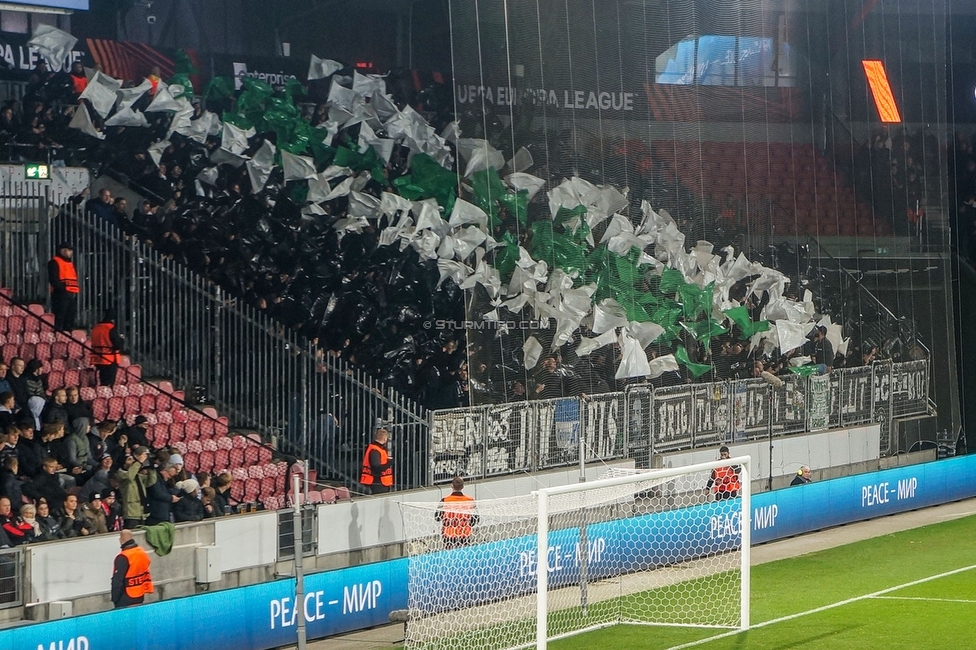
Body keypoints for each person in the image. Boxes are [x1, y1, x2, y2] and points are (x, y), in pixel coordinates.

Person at [111, 530, 154, 608]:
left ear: (121, 539)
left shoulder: (123, 557)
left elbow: (117, 581)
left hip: (126, 595)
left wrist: (115, 599)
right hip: (140, 594)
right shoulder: (142, 552)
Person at [115, 446, 156, 528]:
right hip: (131, 512)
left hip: (141, 511)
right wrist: (139, 462)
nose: (133, 461)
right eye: (129, 459)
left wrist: (151, 468)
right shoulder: (121, 474)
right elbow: (129, 476)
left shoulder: (138, 475)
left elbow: (151, 482)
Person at [435, 476, 478, 548]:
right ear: (463, 486)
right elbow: (475, 519)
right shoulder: (470, 500)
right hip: (464, 534)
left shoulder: (445, 501)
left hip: (449, 534)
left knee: (450, 555)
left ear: (452, 486)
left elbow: (437, 517)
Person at [48, 242, 79, 330]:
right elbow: (53, 279)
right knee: (60, 317)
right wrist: (62, 289)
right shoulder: (54, 262)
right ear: (62, 251)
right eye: (68, 250)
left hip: (71, 293)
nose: (70, 252)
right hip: (60, 294)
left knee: (70, 317)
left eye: (70, 250)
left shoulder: (70, 263)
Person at [90, 309, 125, 387]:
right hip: (109, 359)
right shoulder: (110, 328)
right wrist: (122, 339)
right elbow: (117, 345)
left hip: (97, 357)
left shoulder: (96, 327)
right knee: (109, 382)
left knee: (102, 380)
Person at [360, 426, 393, 494]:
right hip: (377, 482)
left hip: (379, 482)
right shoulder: (375, 450)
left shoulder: (377, 448)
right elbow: (376, 468)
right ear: (384, 438)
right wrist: (389, 463)